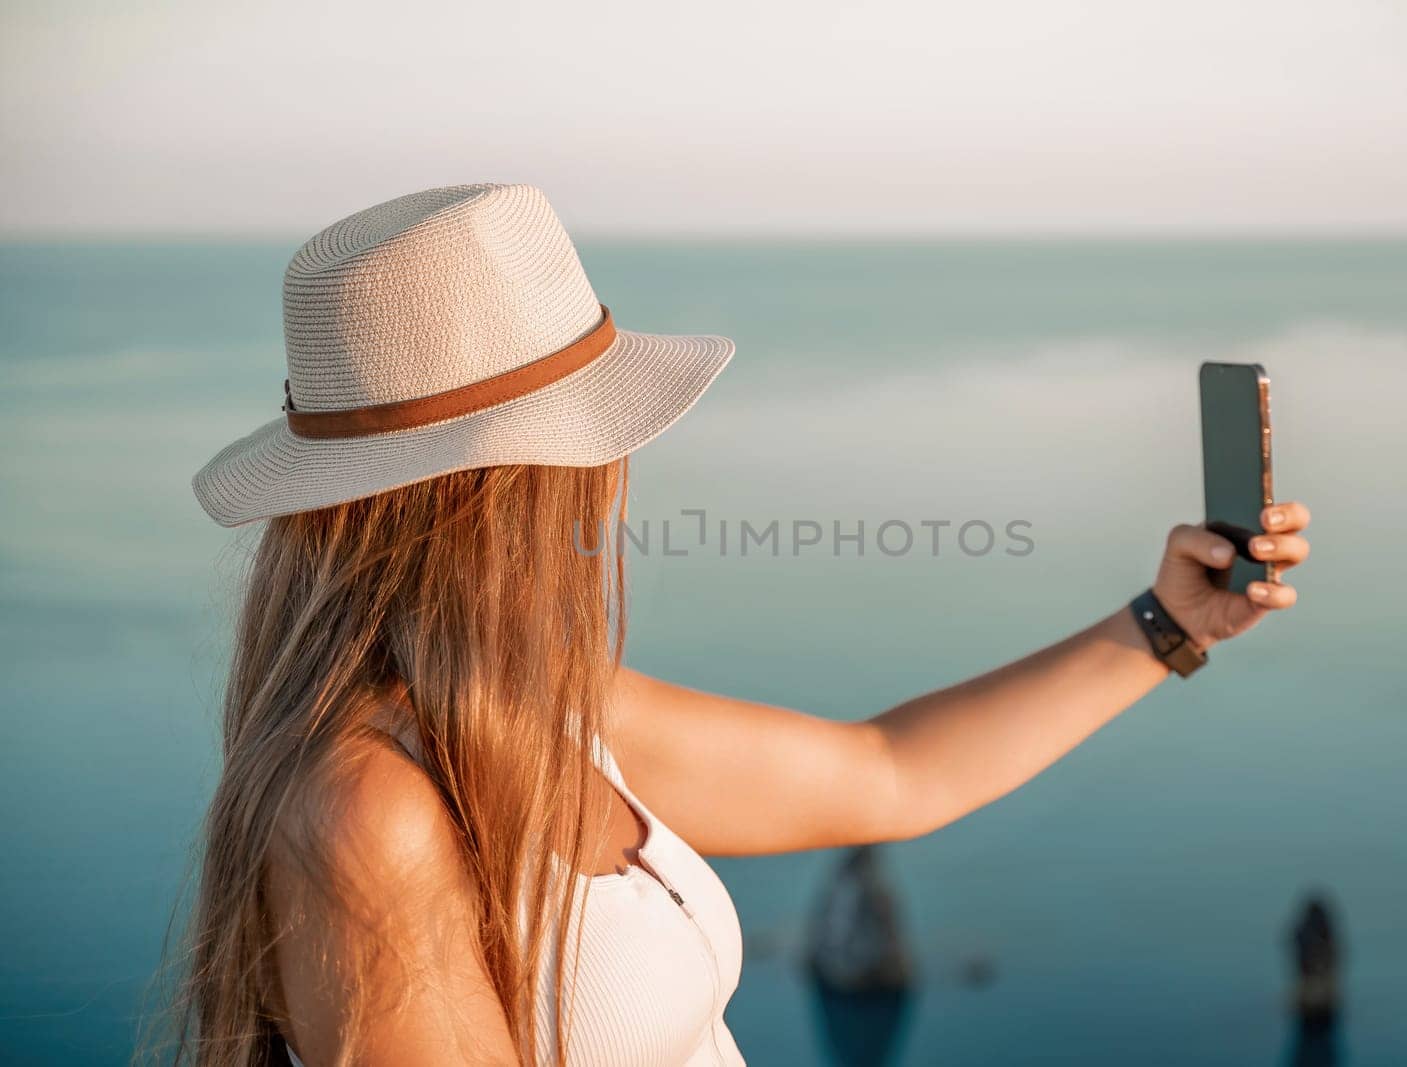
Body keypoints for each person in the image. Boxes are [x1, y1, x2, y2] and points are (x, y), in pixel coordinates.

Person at [172, 183, 1312, 1066]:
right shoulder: (372, 810)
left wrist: (1171, 621)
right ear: (537, 480)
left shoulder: (544, 709)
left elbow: (886, 772)